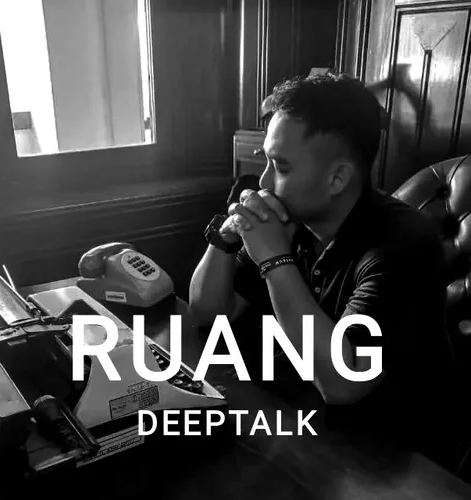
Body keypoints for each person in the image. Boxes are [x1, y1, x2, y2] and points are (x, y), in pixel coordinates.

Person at [189, 73, 458, 464]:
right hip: (308, 425)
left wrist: (274, 260)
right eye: (267, 161)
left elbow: (344, 383)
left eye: (281, 167)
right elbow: (207, 313)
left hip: (395, 459)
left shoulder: (405, 244)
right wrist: (227, 239)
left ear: (337, 178)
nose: (264, 181)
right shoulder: (295, 220)